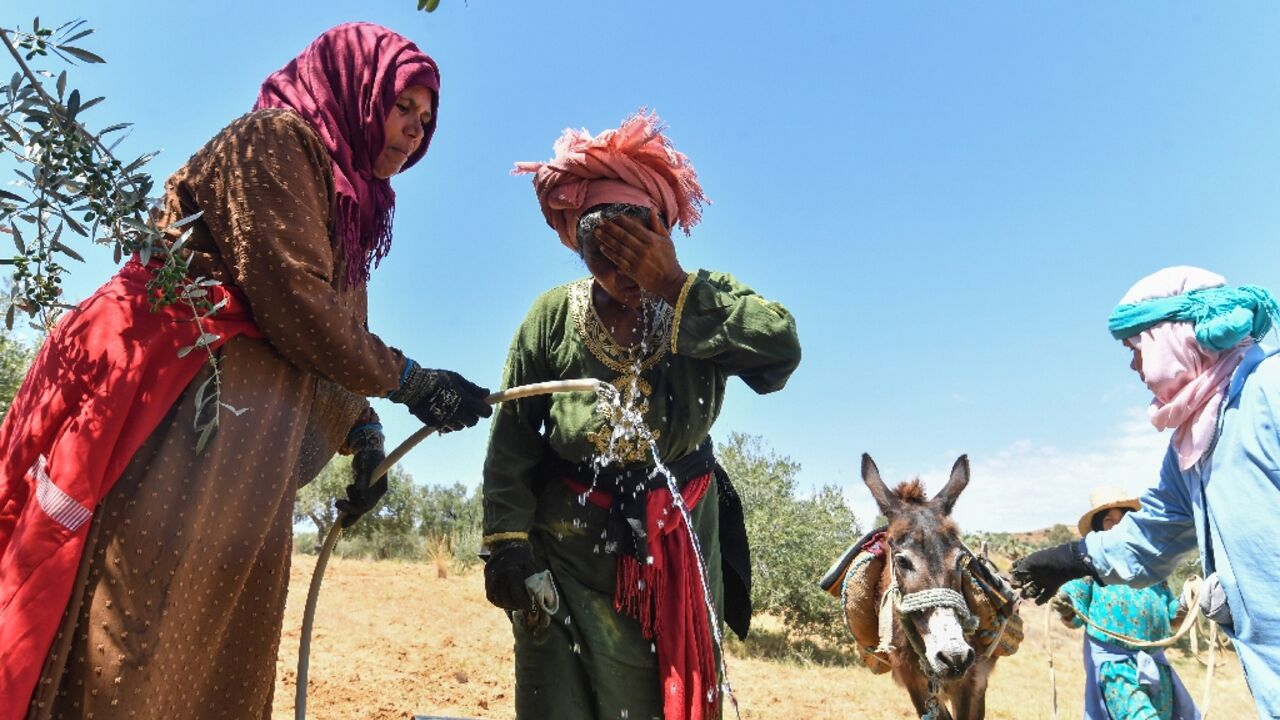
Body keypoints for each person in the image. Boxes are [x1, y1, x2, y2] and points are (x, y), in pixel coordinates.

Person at [0, 23, 491, 719]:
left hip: (242, 467)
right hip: (170, 422)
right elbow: (294, 303)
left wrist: (367, 434)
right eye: (402, 106)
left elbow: (334, 334)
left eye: (426, 120)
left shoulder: (353, 206)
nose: (414, 130)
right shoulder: (276, 142)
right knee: (132, 633)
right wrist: (413, 382)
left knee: (215, 657)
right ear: (356, 87)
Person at [482, 111, 801, 720]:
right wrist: (506, 546)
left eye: (638, 254)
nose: (624, 275)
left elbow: (781, 352)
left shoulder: (702, 297)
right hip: (566, 555)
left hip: (673, 552)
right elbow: (512, 445)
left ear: (664, 236)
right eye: (605, 258)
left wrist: (676, 286)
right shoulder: (551, 317)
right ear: (580, 251)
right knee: (558, 698)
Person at [1011, 266, 1280, 718]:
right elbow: (1153, 534)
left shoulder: (1269, 391)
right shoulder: (1192, 449)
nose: (1133, 364)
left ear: (1178, 337)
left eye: (1137, 347)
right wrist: (1074, 559)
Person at [1052, 486, 1198, 720]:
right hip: (1115, 668)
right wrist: (1065, 604)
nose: (1116, 525)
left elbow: (1171, 617)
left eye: (1122, 519)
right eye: (1109, 520)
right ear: (1100, 526)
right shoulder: (1091, 567)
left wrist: (1187, 601)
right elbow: (1073, 606)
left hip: (1157, 667)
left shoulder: (1152, 568)